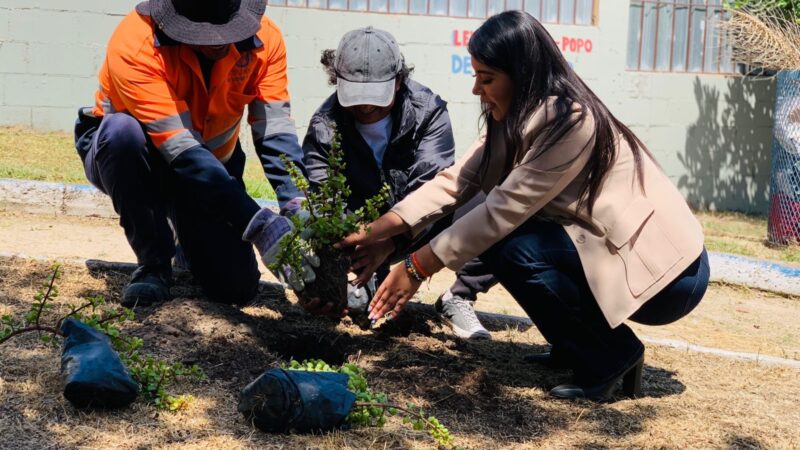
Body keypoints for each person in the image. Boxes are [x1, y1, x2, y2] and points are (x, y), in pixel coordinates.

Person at [339, 11, 710, 401]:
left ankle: (611, 355)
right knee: (510, 241)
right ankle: (576, 346)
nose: (476, 90)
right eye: (476, 77)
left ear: (522, 74)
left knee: (511, 243)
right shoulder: (517, 116)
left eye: (487, 79)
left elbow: (500, 212)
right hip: (617, 255)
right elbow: (455, 183)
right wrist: (375, 231)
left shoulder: (570, 121)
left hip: (670, 278)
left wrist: (416, 267)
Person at [73, 0, 316, 307]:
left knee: (236, 289)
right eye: (202, 33)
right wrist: (258, 224)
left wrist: (298, 203)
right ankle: (153, 264)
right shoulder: (136, 41)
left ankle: (189, 238)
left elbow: (275, 129)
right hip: (137, 159)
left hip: (213, 167)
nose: (216, 41)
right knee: (122, 133)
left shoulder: (265, 40)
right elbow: (180, 148)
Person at [300, 27, 498, 339]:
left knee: (489, 199)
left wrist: (389, 243)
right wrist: (333, 270)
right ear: (336, 81)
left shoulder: (427, 112)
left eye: (375, 98)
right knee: (360, 304)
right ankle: (366, 289)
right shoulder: (326, 124)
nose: (366, 108)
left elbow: (431, 192)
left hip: (418, 226)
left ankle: (458, 295)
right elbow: (323, 202)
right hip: (360, 237)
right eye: (356, 98)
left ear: (399, 80)